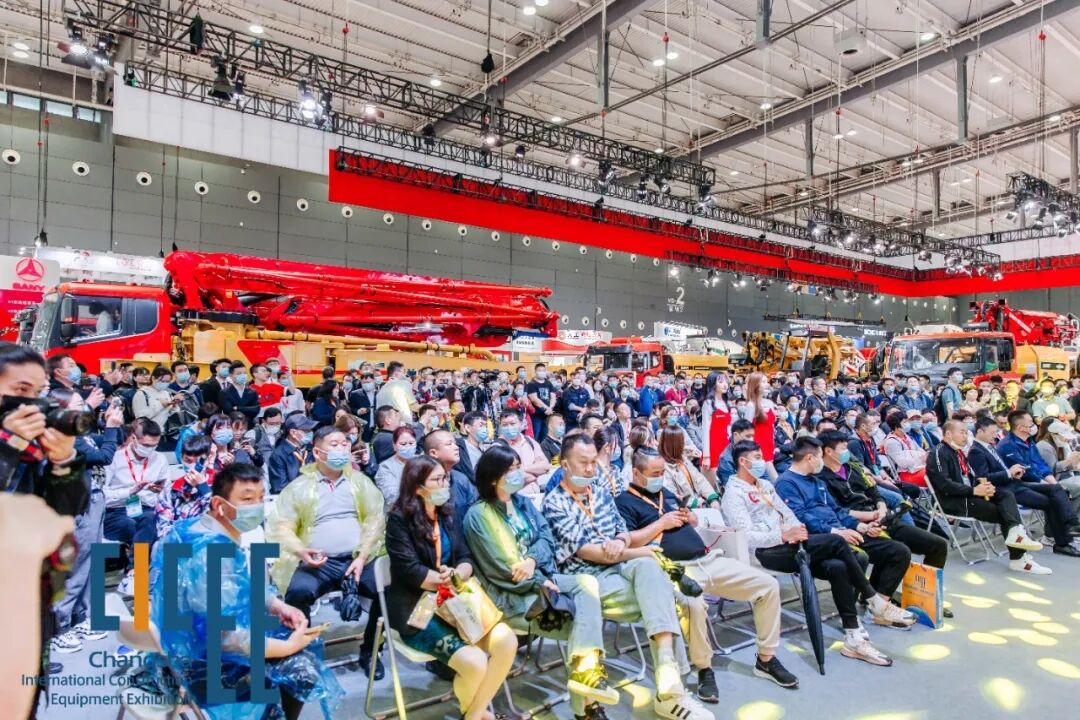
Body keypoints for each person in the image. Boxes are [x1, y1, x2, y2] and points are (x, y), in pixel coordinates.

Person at [542, 434, 714, 719]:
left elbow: (622, 530)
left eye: (593, 462)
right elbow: (589, 552)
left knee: (650, 570)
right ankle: (671, 693)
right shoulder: (554, 503)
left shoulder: (599, 493)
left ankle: (668, 671)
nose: (590, 468)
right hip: (588, 577)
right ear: (565, 465)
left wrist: (621, 542)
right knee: (663, 594)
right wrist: (639, 550)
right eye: (583, 463)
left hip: (620, 568)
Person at [153, 462, 343, 720]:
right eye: (247, 499)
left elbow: (240, 586)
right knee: (302, 667)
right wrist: (287, 647)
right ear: (219, 505)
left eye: (261, 498)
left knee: (291, 639)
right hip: (201, 666)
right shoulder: (212, 554)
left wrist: (277, 605)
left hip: (185, 648)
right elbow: (226, 639)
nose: (257, 506)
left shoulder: (197, 530)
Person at [463, 445, 622, 719]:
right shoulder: (478, 516)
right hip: (511, 595)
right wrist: (539, 582)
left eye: (518, 467)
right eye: (511, 470)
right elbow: (503, 569)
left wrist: (532, 561)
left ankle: (587, 676)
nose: (518, 473)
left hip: (542, 577)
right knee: (581, 623)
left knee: (586, 585)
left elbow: (546, 539)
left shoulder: (522, 503)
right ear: (493, 478)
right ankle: (588, 706)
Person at [617, 448, 796, 690]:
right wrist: (661, 524)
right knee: (693, 604)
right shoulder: (623, 502)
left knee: (768, 585)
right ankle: (704, 667)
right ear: (636, 473)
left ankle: (766, 658)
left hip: (708, 559)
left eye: (661, 472)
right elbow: (628, 542)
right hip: (674, 570)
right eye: (654, 473)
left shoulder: (665, 493)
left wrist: (691, 518)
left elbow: (690, 520)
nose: (660, 477)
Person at [721, 441, 894, 666]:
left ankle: (854, 637)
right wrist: (782, 535)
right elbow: (745, 536)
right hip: (764, 551)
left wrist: (797, 529)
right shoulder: (733, 494)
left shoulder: (765, 485)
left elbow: (787, 513)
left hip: (790, 543)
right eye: (757, 457)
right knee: (837, 541)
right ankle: (874, 600)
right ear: (743, 462)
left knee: (838, 566)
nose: (762, 461)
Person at [385, 455, 518, 720]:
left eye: (444, 478)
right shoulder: (399, 521)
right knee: (475, 662)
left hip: (456, 600)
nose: (445, 484)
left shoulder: (448, 513)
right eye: (437, 480)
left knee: (507, 641)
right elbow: (411, 571)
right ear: (418, 488)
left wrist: (457, 574)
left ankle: (474, 714)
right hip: (419, 610)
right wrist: (442, 579)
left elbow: (466, 558)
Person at [269, 426, 387, 679]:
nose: (342, 449)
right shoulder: (300, 487)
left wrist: (362, 556)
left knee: (388, 588)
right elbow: (282, 527)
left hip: (358, 559)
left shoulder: (360, 483)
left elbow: (375, 521)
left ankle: (372, 649)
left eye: (345, 444)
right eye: (334, 445)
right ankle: (300, 652)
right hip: (316, 562)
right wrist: (302, 551)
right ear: (317, 452)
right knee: (298, 592)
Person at [775, 436, 917, 629]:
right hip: (820, 538)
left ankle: (878, 608)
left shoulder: (816, 481)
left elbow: (837, 511)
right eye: (819, 457)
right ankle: (852, 617)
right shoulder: (786, 483)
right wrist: (836, 531)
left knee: (898, 552)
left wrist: (860, 526)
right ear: (809, 458)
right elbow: (800, 517)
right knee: (858, 557)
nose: (822, 462)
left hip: (843, 531)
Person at [816, 430, 950, 607]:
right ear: (828, 451)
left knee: (937, 546)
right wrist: (870, 517)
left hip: (881, 519)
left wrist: (881, 507)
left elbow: (873, 491)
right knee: (898, 552)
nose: (847, 452)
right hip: (855, 527)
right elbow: (837, 512)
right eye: (843, 448)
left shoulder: (852, 468)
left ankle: (926, 599)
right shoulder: (820, 479)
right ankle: (878, 604)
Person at [927, 419, 1051, 573]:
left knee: (1005, 494)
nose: (966, 436)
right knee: (1005, 513)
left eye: (966, 433)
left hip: (968, 494)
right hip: (953, 501)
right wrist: (974, 491)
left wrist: (984, 487)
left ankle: (1016, 537)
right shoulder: (938, 453)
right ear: (948, 434)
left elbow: (969, 478)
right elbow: (945, 485)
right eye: (962, 432)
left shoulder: (958, 452)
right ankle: (1018, 557)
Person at [981, 412, 1080, 555]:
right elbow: (1026, 472)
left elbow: (1041, 465)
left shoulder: (1029, 442)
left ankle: (1067, 532)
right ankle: (1065, 536)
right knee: (1054, 497)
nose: (1034, 425)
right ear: (1021, 427)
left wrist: (1051, 483)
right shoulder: (1007, 445)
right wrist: (1047, 484)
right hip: (1019, 484)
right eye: (1030, 422)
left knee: (1057, 492)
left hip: (1032, 482)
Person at [102, 418, 169, 596]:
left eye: (154, 445)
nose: (150, 449)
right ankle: (137, 573)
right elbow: (101, 495)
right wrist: (130, 492)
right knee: (133, 527)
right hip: (116, 510)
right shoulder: (114, 459)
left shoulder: (160, 459)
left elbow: (165, 494)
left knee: (148, 521)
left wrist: (156, 491)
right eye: (146, 445)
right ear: (133, 438)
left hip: (145, 508)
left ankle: (134, 572)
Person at [154, 434, 214, 539]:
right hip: (179, 542)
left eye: (197, 462)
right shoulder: (172, 489)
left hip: (209, 542)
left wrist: (204, 489)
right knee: (145, 539)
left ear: (208, 459)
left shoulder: (220, 485)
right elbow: (163, 528)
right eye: (188, 461)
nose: (192, 467)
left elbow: (217, 521)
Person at [424, 428, 479, 528]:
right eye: (449, 444)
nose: (456, 447)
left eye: (455, 443)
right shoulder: (425, 481)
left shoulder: (461, 479)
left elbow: (475, 508)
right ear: (433, 453)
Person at [1035, 417, 1080, 516]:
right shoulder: (1044, 446)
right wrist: (1068, 461)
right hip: (1050, 482)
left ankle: (1074, 517)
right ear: (1053, 435)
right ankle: (1071, 517)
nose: (1066, 440)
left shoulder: (1058, 445)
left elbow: (1064, 468)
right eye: (1064, 437)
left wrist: (1073, 463)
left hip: (1062, 478)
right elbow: (1050, 472)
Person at [497, 409, 549, 493]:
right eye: (504, 425)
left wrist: (521, 469)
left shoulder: (530, 441)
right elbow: (507, 479)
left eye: (512, 424)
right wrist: (535, 472)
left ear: (521, 424)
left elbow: (545, 466)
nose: (509, 428)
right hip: (514, 497)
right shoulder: (498, 447)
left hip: (535, 494)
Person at [268, 413, 317, 493]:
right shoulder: (278, 455)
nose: (310, 433)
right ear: (293, 432)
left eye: (311, 430)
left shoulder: (311, 449)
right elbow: (280, 487)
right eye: (306, 431)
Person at [699, 372, 733, 484]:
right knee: (713, 487)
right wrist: (706, 456)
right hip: (712, 447)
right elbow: (705, 430)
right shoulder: (708, 403)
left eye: (726, 381)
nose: (725, 384)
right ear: (713, 384)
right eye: (721, 382)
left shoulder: (726, 403)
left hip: (726, 446)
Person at [375, 426, 418, 510]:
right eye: (403, 444)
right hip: (398, 511)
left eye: (411, 443)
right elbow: (392, 497)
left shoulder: (422, 460)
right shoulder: (386, 467)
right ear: (394, 445)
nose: (408, 447)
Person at [882, 411, 928, 486]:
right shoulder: (891, 442)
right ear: (896, 426)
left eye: (907, 421)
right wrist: (919, 458)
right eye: (905, 422)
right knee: (933, 473)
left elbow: (921, 451)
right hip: (906, 474)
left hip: (918, 468)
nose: (908, 424)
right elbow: (902, 463)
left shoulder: (907, 437)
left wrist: (922, 456)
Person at [717, 419, 755, 486]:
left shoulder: (754, 449)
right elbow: (731, 486)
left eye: (753, 436)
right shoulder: (725, 459)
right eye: (748, 436)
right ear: (735, 435)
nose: (751, 440)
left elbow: (764, 476)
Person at [526, 363, 558, 442]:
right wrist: (546, 408)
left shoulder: (548, 383)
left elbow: (553, 396)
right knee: (535, 437)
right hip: (536, 416)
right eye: (539, 370)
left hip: (547, 416)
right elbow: (534, 399)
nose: (542, 372)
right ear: (535, 372)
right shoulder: (531, 384)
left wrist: (551, 407)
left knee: (545, 437)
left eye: (543, 370)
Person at [454, 411, 489, 484]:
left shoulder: (487, 449)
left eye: (485, 426)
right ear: (468, 428)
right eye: (481, 425)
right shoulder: (458, 449)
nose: (484, 429)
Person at [349, 373, 379, 442]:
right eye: (364, 383)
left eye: (368, 382)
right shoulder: (355, 394)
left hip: (376, 428)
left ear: (373, 381)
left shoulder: (378, 394)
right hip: (363, 428)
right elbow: (349, 408)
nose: (367, 384)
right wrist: (357, 411)